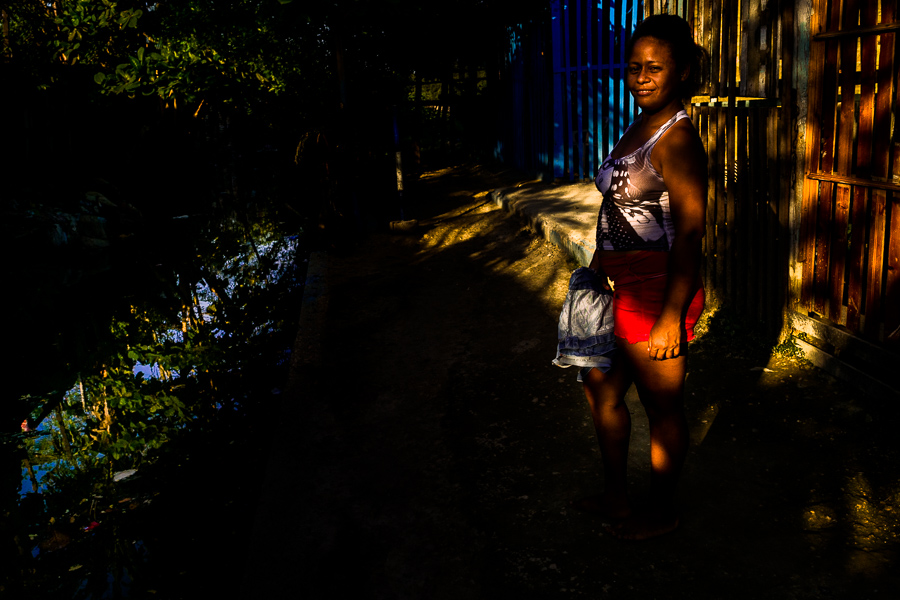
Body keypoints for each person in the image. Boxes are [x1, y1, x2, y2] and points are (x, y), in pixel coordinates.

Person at [573, 14, 707, 541]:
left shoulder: (678, 140)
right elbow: (619, 206)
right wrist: (597, 267)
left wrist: (672, 315)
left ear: (682, 72)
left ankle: (662, 511)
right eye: (634, 68)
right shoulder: (637, 125)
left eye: (654, 68)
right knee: (600, 392)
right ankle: (615, 497)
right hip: (614, 283)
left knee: (661, 407)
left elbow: (692, 234)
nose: (641, 77)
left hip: (656, 290)